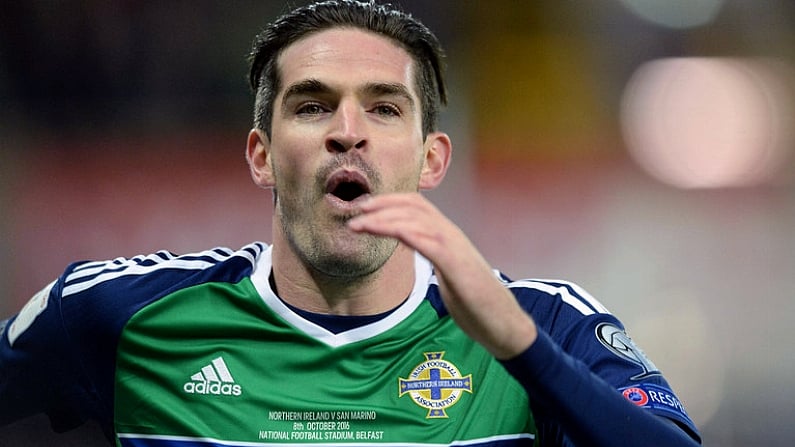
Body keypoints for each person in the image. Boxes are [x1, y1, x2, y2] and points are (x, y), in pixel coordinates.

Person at [0, 1, 701, 446]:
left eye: (384, 107)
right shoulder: (116, 314)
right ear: (262, 155)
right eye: (310, 105)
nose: (346, 131)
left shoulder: (545, 323)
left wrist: (521, 348)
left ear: (431, 159)